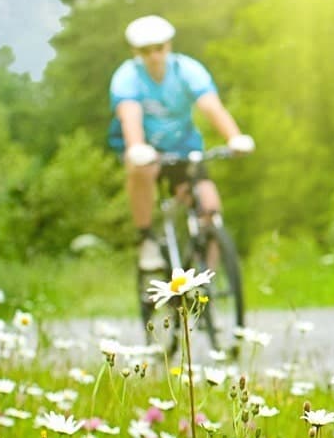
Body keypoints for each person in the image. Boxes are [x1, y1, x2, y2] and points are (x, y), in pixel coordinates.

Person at [108, 15, 254, 270]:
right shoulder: (127, 76)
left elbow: (211, 106)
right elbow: (129, 115)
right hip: (144, 145)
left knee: (209, 207)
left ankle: (205, 281)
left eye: (159, 48)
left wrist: (234, 137)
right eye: (146, 51)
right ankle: (145, 239)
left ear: (169, 46)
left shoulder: (187, 69)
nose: (154, 56)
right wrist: (137, 148)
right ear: (136, 52)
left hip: (183, 143)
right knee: (142, 169)